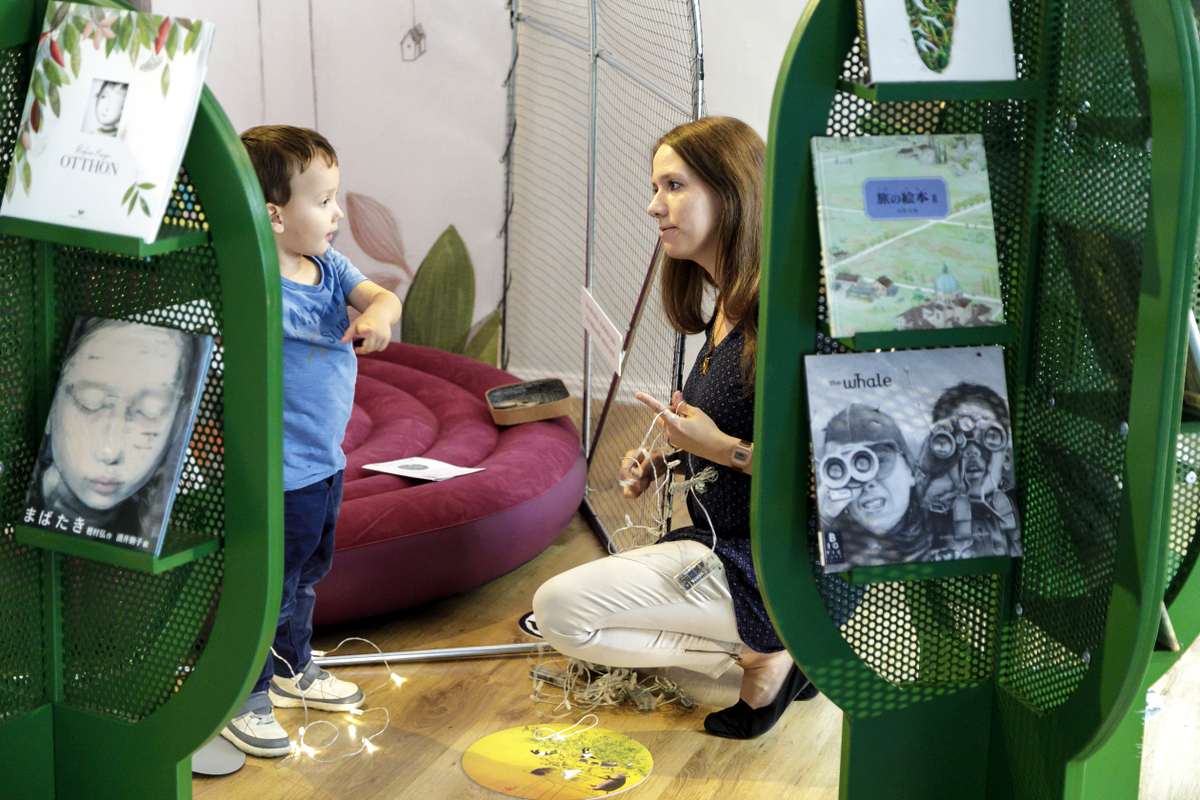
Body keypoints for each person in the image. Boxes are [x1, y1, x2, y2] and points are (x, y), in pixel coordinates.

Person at [533, 117, 813, 740]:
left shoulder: (787, 317)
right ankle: (773, 649)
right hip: (725, 546)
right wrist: (672, 459)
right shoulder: (726, 308)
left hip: (779, 569)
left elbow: (831, 477)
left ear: (732, 191)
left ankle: (771, 651)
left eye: (674, 186)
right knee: (562, 614)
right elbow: (737, 434)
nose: (654, 205)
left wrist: (722, 449)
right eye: (655, 187)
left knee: (558, 610)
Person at [223, 126, 403, 758]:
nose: (339, 213)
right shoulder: (251, 284)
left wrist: (377, 314)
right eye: (324, 201)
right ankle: (242, 696)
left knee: (307, 575)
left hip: (324, 463)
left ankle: (291, 666)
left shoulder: (330, 269)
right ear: (275, 216)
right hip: (277, 473)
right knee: (268, 587)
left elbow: (382, 295)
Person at [28, 318, 203, 549]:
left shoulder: (152, 529)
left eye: (149, 411)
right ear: (51, 406)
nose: (110, 450)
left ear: (179, 423)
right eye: (90, 403)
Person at [816, 404, 946, 568]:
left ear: (910, 470)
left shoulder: (946, 528)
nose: (867, 482)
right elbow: (823, 572)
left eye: (880, 462)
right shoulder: (836, 539)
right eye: (846, 470)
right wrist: (823, 517)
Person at [917, 383, 1020, 558]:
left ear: (1007, 458)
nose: (972, 451)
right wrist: (926, 474)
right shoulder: (928, 522)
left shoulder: (1024, 505)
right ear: (942, 455)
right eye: (958, 440)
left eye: (990, 436)